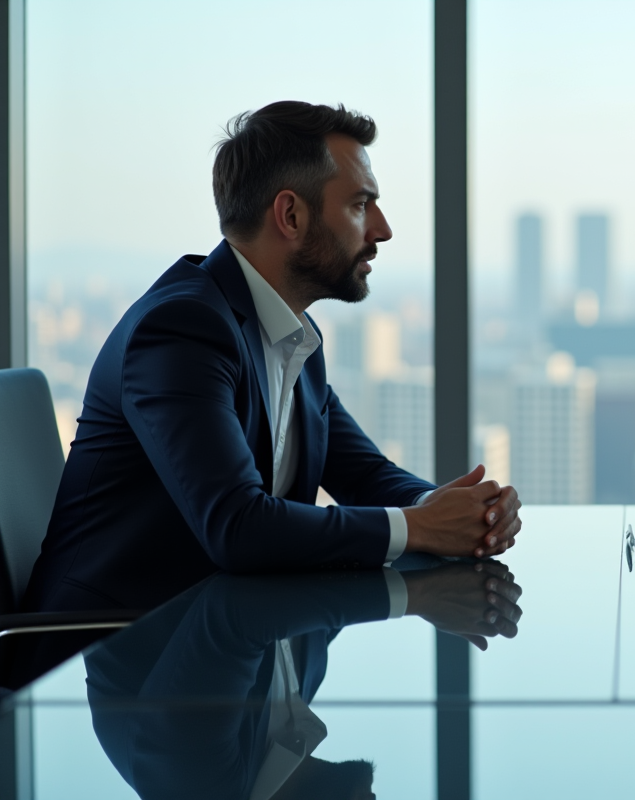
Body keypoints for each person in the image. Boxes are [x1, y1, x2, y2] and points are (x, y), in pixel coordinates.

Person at [24, 101, 521, 614]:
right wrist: (421, 528)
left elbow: (365, 475)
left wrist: (461, 513)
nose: (383, 229)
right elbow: (238, 526)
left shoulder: (293, 336)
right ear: (290, 215)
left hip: (224, 643)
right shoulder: (180, 330)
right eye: (359, 205)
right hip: (110, 657)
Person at [84, 562, 522, 800]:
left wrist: (418, 594)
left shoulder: (195, 780)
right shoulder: (298, 697)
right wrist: (452, 556)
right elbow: (320, 578)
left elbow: (234, 609)